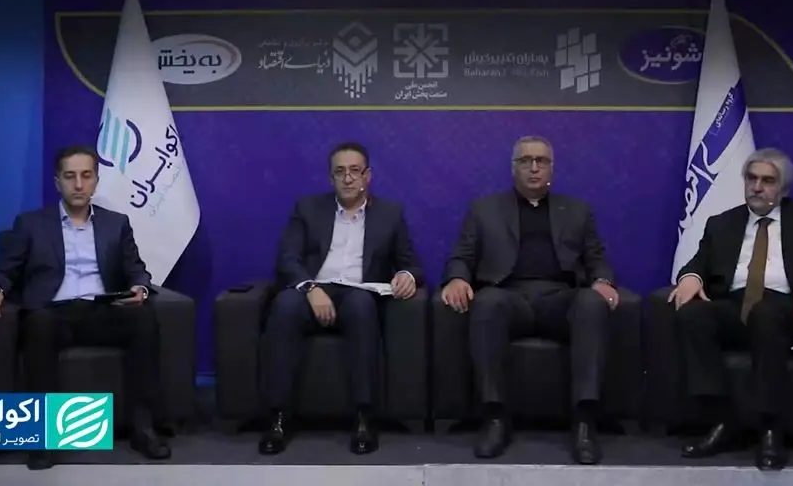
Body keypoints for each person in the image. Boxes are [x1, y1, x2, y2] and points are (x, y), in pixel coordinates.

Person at [0, 145, 170, 471]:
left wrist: (139, 287)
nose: (79, 184)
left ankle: (144, 428)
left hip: (101, 312)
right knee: (39, 324)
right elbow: (4, 270)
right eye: (70, 176)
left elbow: (136, 270)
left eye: (86, 176)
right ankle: (44, 438)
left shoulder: (116, 224)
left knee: (144, 318)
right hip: (53, 312)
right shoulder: (31, 224)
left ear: (96, 180)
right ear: (57, 182)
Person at [439, 136, 621, 465]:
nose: (534, 168)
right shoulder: (484, 210)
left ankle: (584, 421)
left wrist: (603, 282)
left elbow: (597, 259)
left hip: (560, 298)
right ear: (514, 169)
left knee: (591, 304)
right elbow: (461, 256)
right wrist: (457, 278)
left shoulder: (577, 211)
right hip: (508, 297)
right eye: (526, 161)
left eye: (541, 161)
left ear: (552, 168)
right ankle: (496, 417)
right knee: (487, 303)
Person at [669, 147, 793, 470]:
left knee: (765, 314)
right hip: (735, 306)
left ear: (784, 188)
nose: (757, 187)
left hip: (780, 309)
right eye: (751, 179)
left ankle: (770, 428)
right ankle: (723, 421)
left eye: (768, 181)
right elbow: (697, 263)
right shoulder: (722, 223)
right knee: (693, 314)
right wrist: (691, 277)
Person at [261, 141, 424, 456]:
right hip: (313, 289)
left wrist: (407, 276)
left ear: (367, 176)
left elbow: (411, 263)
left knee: (362, 307)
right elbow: (287, 259)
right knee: (284, 306)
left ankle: (364, 417)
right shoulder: (307, 209)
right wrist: (311, 288)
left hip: (357, 293)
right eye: (340, 172)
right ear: (330, 178)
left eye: (355, 171)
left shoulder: (390, 214)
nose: (348, 178)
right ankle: (278, 417)